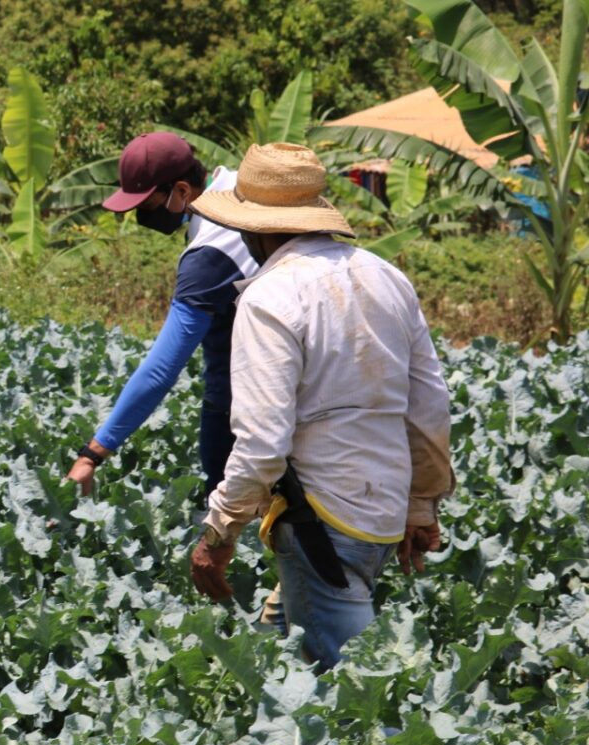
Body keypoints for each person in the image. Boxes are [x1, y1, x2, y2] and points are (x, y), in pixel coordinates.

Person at [186, 142, 455, 670]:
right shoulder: (386, 276)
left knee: (364, 694)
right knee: (270, 661)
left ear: (252, 228)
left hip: (322, 523)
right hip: (379, 515)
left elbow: (262, 444)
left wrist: (218, 533)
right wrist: (420, 504)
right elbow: (428, 409)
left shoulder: (270, 297)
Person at [66, 132, 257, 500]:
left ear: (182, 190)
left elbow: (161, 369)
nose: (142, 216)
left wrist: (94, 453)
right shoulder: (238, 184)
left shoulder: (210, 255)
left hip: (250, 400)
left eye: (148, 203)